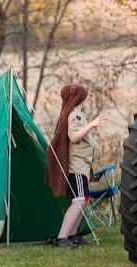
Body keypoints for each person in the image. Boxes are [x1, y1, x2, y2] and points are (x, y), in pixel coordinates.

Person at [45, 84, 106, 248]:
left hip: (83, 167)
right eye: (85, 96)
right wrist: (92, 125)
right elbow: (74, 137)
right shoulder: (75, 117)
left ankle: (72, 236)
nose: (86, 99)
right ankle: (62, 237)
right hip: (77, 166)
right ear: (79, 98)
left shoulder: (78, 115)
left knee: (84, 199)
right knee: (79, 200)